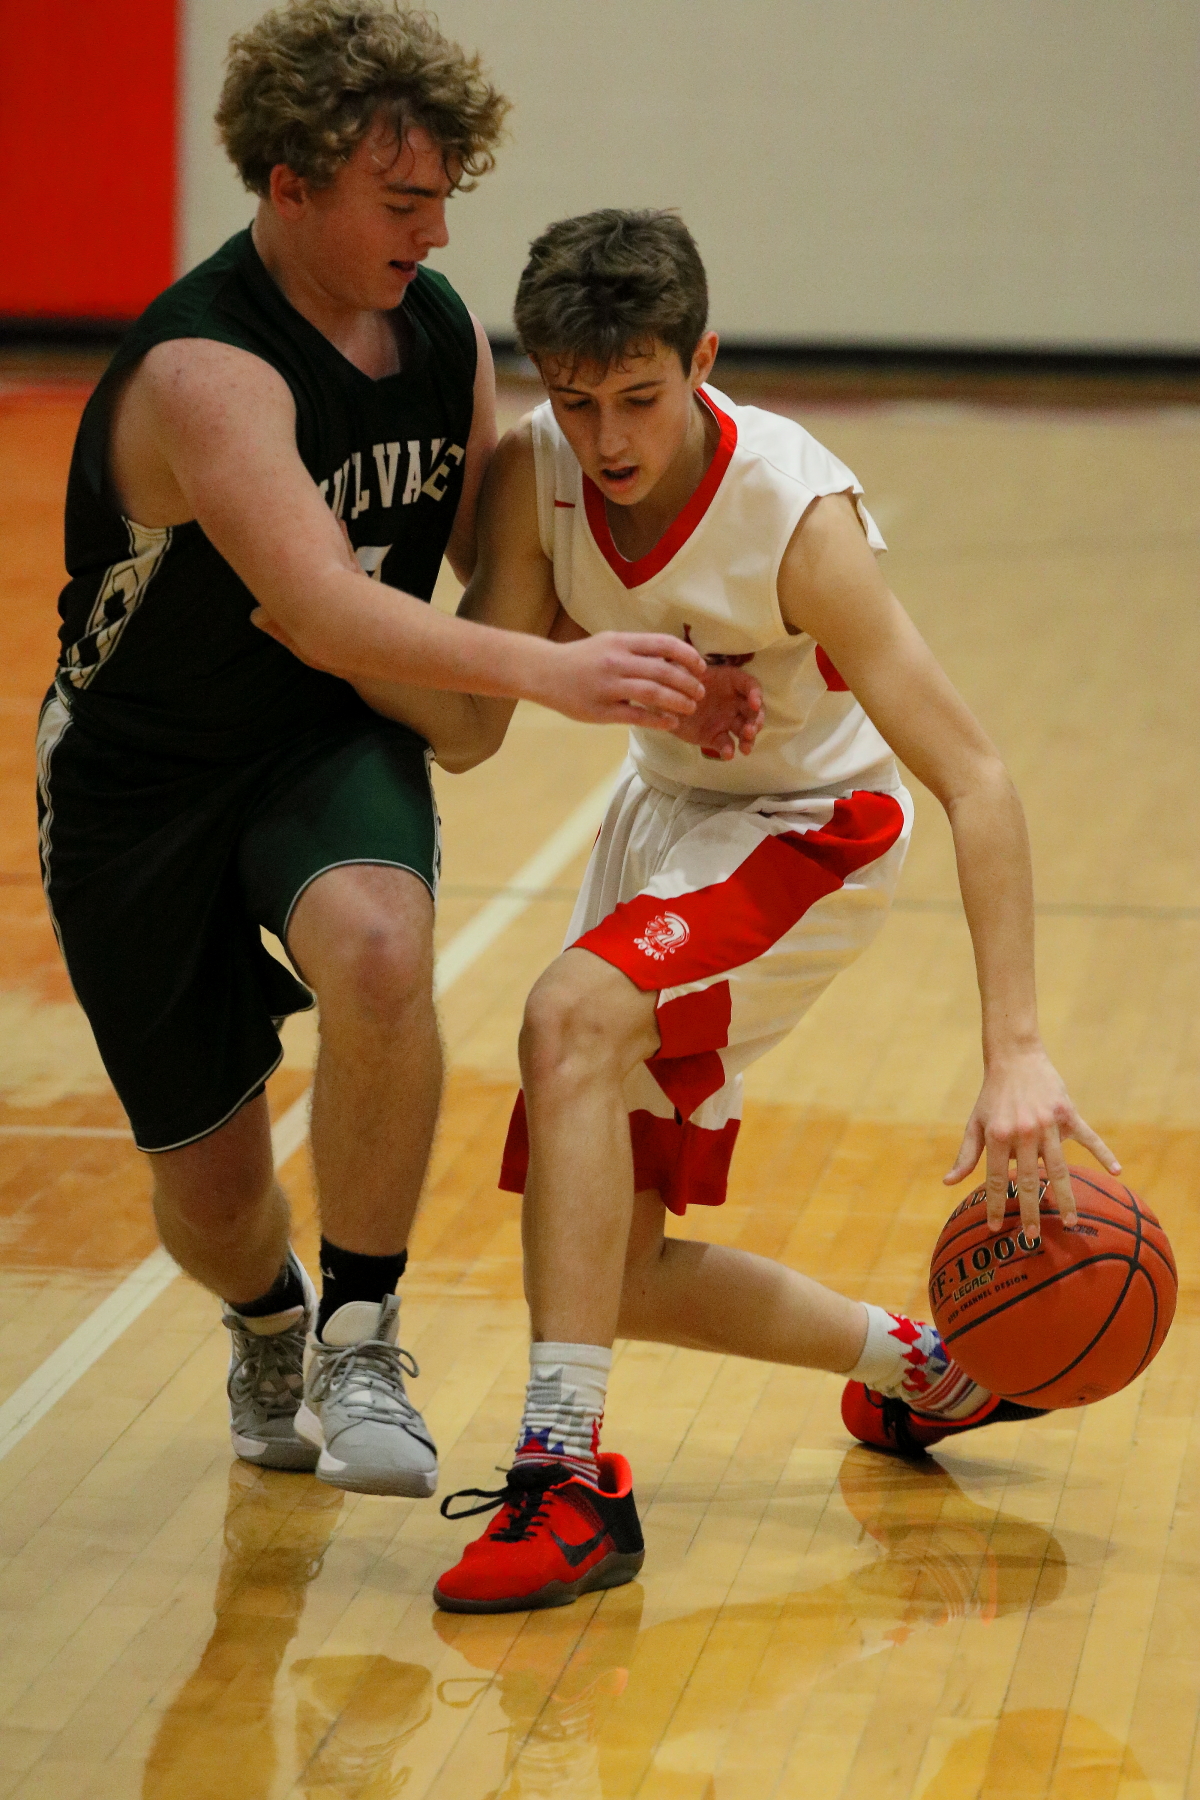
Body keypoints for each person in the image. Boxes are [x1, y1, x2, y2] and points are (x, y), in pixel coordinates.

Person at [325, 207, 1119, 1611]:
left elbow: (981, 780)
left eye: (642, 396)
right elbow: (466, 731)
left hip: (810, 834)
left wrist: (1015, 1053)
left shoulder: (796, 519)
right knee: (606, 1266)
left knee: (566, 1017)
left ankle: (565, 1480)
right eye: (578, 401)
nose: (611, 437)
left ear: (704, 359)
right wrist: (321, 620)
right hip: (665, 831)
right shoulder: (536, 480)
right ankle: (925, 1374)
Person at [37, 8, 751, 1502]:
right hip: (141, 784)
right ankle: (272, 1318)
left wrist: (580, 640)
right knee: (214, 1194)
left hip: (317, 737)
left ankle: (364, 1328)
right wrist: (555, 674)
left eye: (444, 196)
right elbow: (314, 602)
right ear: (291, 185)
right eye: (401, 199)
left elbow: (454, 595)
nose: (434, 229)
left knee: (380, 948)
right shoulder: (204, 370)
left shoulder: (430, 334)